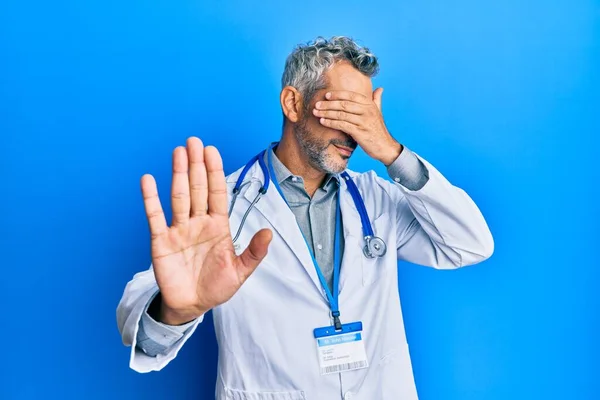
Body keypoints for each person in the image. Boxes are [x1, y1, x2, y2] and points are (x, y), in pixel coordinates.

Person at [117, 36, 494, 400]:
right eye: (343, 110)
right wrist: (175, 311)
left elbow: (470, 245)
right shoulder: (223, 208)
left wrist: (393, 153)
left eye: (365, 118)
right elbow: (146, 334)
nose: (356, 133)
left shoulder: (375, 199)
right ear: (293, 103)